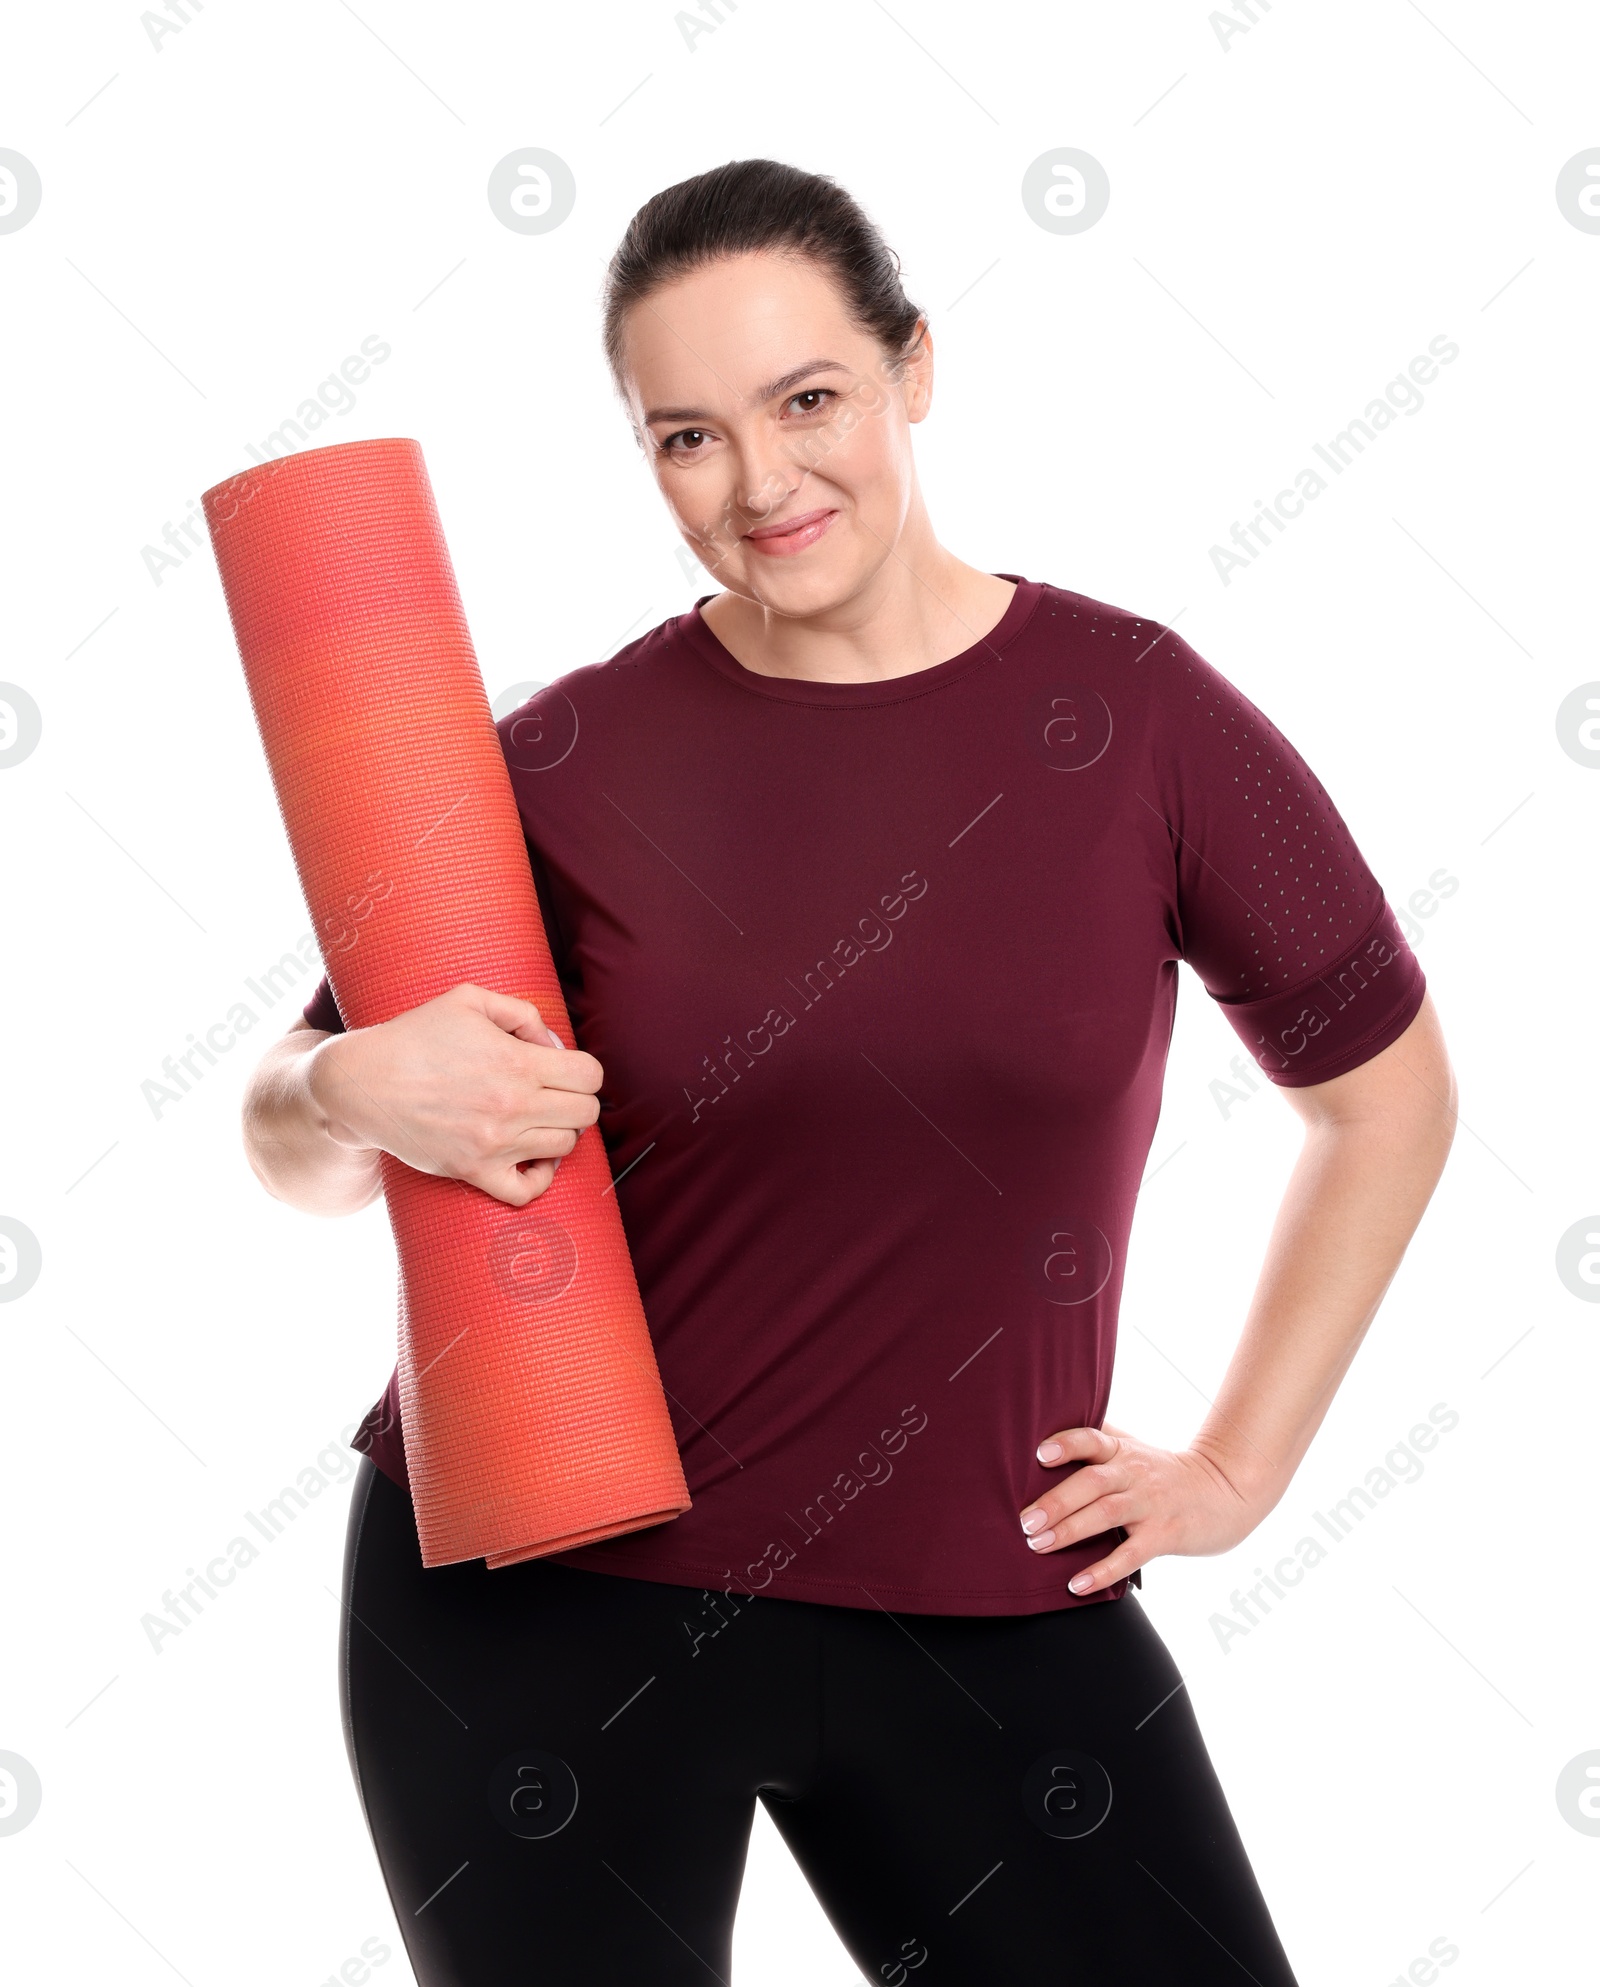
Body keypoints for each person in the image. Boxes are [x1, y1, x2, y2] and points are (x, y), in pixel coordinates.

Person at [241, 158, 1457, 1984]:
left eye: (808, 399)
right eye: (688, 438)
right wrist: (342, 1096)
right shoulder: (569, 757)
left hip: (981, 1590)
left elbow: (1388, 1098)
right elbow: (291, 1125)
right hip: (535, 1595)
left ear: (914, 370)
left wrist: (1237, 1470)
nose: (763, 484)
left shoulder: (1137, 720)